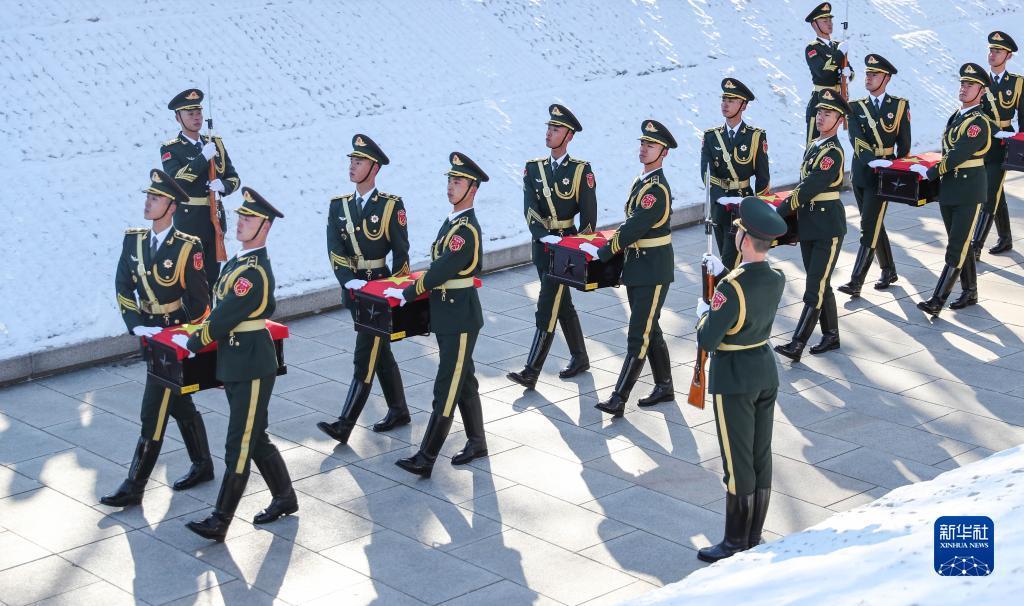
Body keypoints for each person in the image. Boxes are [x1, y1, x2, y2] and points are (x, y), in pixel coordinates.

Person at [176, 188, 297, 541]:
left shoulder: (253, 272)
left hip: (251, 365)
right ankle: (285, 497)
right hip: (235, 360)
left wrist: (195, 341)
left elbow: (224, 317)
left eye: (249, 219)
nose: (240, 223)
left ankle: (220, 518)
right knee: (255, 436)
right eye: (241, 217)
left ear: (265, 227)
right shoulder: (238, 262)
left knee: (238, 443)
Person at [102, 170, 212, 507]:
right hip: (148, 336)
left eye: (155, 198)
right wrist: (135, 324)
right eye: (148, 197)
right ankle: (203, 464)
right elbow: (123, 285)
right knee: (178, 402)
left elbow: (201, 303)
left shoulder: (186, 247)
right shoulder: (133, 240)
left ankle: (135, 484)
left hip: (172, 339)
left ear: (171, 205)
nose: (148, 203)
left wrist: (187, 340)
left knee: (153, 409)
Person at [695, 197, 788, 563]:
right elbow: (746, 296)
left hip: (734, 376)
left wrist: (705, 312)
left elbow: (708, 338)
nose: (734, 235)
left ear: (746, 240)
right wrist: (721, 279)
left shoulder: (730, 288)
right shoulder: (775, 277)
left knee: (736, 461)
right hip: (764, 368)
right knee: (759, 454)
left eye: (737, 232)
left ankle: (734, 542)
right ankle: (753, 533)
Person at [384, 153, 487, 478]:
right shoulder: (453, 221)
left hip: (459, 319)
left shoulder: (465, 230)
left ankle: (426, 457)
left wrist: (409, 292)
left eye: (457, 182)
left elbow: (442, 269)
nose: (450, 186)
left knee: (447, 385)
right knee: (463, 379)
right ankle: (477, 442)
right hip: (448, 315)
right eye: (449, 180)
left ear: (472, 188)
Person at [317, 134, 412, 443]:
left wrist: (395, 291)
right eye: (351, 161)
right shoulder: (338, 207)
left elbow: (401, 252)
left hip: (378, 293)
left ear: (374, 168)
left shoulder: (390, 206)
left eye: (358, 162)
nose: (352, 166)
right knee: (379, 350)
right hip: (354, 291)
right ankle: (399, 410)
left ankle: (345, 424)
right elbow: (334, 248)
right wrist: (348, 280)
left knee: (365, 354)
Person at [581, 120, 676, 417]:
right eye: (643, 144)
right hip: (639, 267)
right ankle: (665, 385)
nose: (644, 149)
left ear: (664, 152)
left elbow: (633, 227)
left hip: (653, 270)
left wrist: (604, 251)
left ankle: (619, 397)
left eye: (651, 145)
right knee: (650, 327)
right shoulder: (643, 181)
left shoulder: (656, 190)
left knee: (639, 333)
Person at [507, 104, 597, 389]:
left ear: (568, 135)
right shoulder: (534, 169)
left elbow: (589, 215)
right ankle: (580, 356)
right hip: (543, 247)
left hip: (566, 252)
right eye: (548, 127)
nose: (549, 133)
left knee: (548, 302)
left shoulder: (581, 170)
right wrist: (543, 235)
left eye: (555, 129)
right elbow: (529, 207)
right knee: (562, 303)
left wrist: (576, 247)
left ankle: (531, 370)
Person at [774, 89, 849, 363]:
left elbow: (808, 188)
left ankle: (797, 343)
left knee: (815, 285)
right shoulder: (815, 145)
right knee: (820, 282)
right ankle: (831, 335)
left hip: (827, 227)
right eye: (819, 112)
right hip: (810, 224)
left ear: (839, 120)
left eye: (827, 114)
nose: (820, 117)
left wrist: (779, 212)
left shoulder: (832, 153)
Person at [915, 64, 993, 316]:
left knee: (957, 245)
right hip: (951, 188)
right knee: (959, 242)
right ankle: (970, 291)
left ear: (981, 91)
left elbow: (958, 154)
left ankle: (938, 299)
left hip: (968, 190)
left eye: (970, 85)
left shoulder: (978, 123)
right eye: (962, 83)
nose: (964, 88)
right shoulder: (957, 116)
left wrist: (930, 172)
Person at [837, 54, 911, 298]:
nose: (868, 78)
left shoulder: (899, 106)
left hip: (885, 175)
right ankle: (888, 270)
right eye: (867, 74)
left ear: (886, 78)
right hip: (862, 172)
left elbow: (905, 144)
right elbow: (856, 139)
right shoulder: (856, 107)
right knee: (874, 222)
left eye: (874, 74)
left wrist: (896, 171)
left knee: (868, 226)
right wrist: (872, 161)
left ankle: (856, 280)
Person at [161, 88, 241, 290]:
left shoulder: (215, 144)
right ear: (178, 117)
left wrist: (224, 186)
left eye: (198, 113)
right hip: (189, 221)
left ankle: (211, 318)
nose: (196, 118)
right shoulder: (171, 148)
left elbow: (234, 178)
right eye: (190, 114)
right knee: (191, 277)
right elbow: (176, 181)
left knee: (213, 276)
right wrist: (202, 158)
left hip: (214, 217)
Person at [701, 78, 771, 269]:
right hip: (720, 207)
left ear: (743, 106)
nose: (725, 104)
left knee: (730, 259)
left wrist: (759, 208)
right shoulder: (711, 136)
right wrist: (720, 198)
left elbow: (763, 177)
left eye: (731, 100)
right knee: (726, 253)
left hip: (743, 204)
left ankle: (726, 295)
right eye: (724, 99)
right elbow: (706, 173)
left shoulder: (755, 136)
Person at [972, 31, 1021, 258]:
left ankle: (975, 246)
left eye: (998, 51)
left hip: (1004, 145)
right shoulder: (978, 82)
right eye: (991, 50)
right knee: (995, 189)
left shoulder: (1017, 83)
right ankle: (1005, 238)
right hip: (982, 142)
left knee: (989, 192)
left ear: (1008, 56)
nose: (992, 54)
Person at [802, 2, 850, 147]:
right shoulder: (812, 48)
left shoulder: (837, 45)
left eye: (830, 20)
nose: (829, 24)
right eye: (825, 21)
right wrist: (839, 53)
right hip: (820, 100)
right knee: (813, 145)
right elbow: (822, 72)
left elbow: (848, 71)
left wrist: (849, 73)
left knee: (831, 144)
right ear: (815, 25)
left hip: (836, 101)